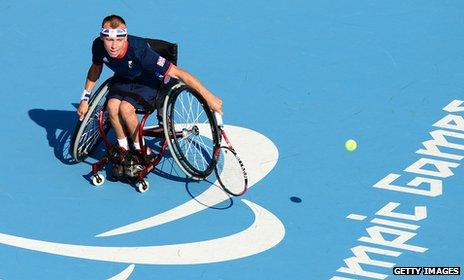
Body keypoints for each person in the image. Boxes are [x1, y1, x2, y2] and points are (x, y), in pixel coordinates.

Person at [77, 14, 223, 160]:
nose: (114, 45)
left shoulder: (140, 52)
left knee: (126, 108)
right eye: (109, 40)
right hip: (123, 79)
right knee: (112, 106)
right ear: (102, 38)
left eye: (118, 40)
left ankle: (140, 148)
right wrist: (85, 98)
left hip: (148, 81)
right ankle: (123, 147)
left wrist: (208, 97)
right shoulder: (98, 46)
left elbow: (178, 73)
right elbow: (95, 68)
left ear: (125, 38)